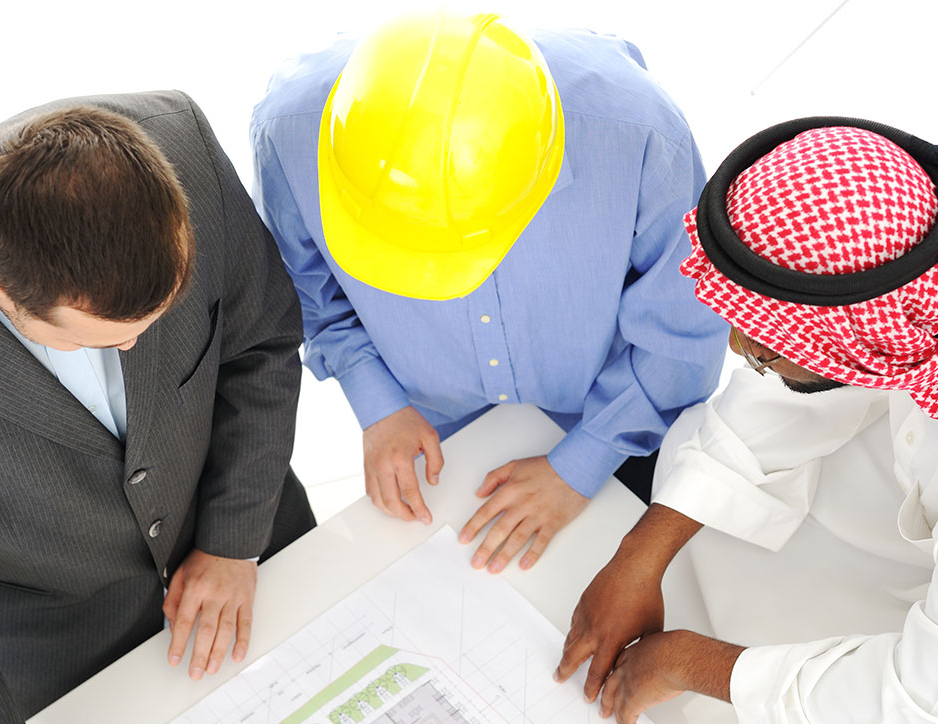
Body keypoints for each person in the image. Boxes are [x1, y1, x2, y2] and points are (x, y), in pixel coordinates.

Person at [250, 11, 727, 573]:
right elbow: (305, 292)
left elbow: (686, 327)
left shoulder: (639, 131)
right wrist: (378, 402)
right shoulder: (289, 134)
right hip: (436, 434)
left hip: (612, 417)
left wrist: (581, 465)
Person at [553, 119, 938, 723]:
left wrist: (690, 664)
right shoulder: (899, 300)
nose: (736, 347)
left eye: (766, 343)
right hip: (894, 517)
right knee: (694, 446)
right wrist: (639, 555)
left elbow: (914, 696)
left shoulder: (876, 323)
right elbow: (792, 393)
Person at [0, 91, 315, 722]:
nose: (131, 348)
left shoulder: (186, 146)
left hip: (255, 546)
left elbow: (261, 345)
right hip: (58, 653)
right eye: (97, 339)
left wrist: (234, 543)